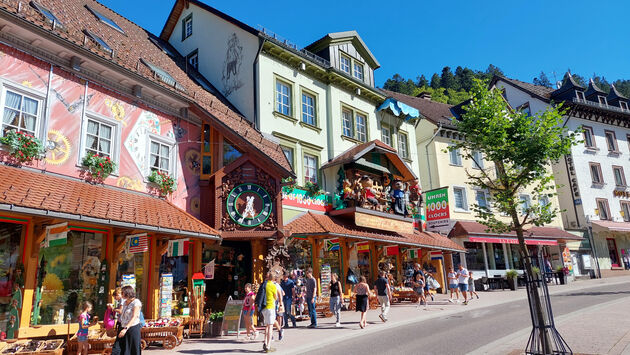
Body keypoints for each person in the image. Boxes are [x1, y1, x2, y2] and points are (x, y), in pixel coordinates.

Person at [112, 285, 142, 355]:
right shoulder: (125, 302)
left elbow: (134, 316)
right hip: (122, 326)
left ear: (127, 293)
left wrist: (125, 328)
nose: (121, 294)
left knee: (131, 349)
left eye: (122, 293)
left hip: (132, 328)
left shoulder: (136, 302)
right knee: (117, 349)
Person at [261, 272, 278, 352]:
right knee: (270, 326)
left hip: (264, 308)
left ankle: (265, 342)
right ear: (274, 278)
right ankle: (268, 345)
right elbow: (276, 297)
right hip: (270, 307)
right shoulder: (273, 286)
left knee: (267, 326)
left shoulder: (264, 284)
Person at [273, 273, 285, 341]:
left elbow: (282, 293)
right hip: (273, 303)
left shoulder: (276, 285)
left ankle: (279, 329)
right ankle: (278, 330)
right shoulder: (268, 284)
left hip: (276, 302)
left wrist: (280, 302)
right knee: (272, 319)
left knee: (278, 316)